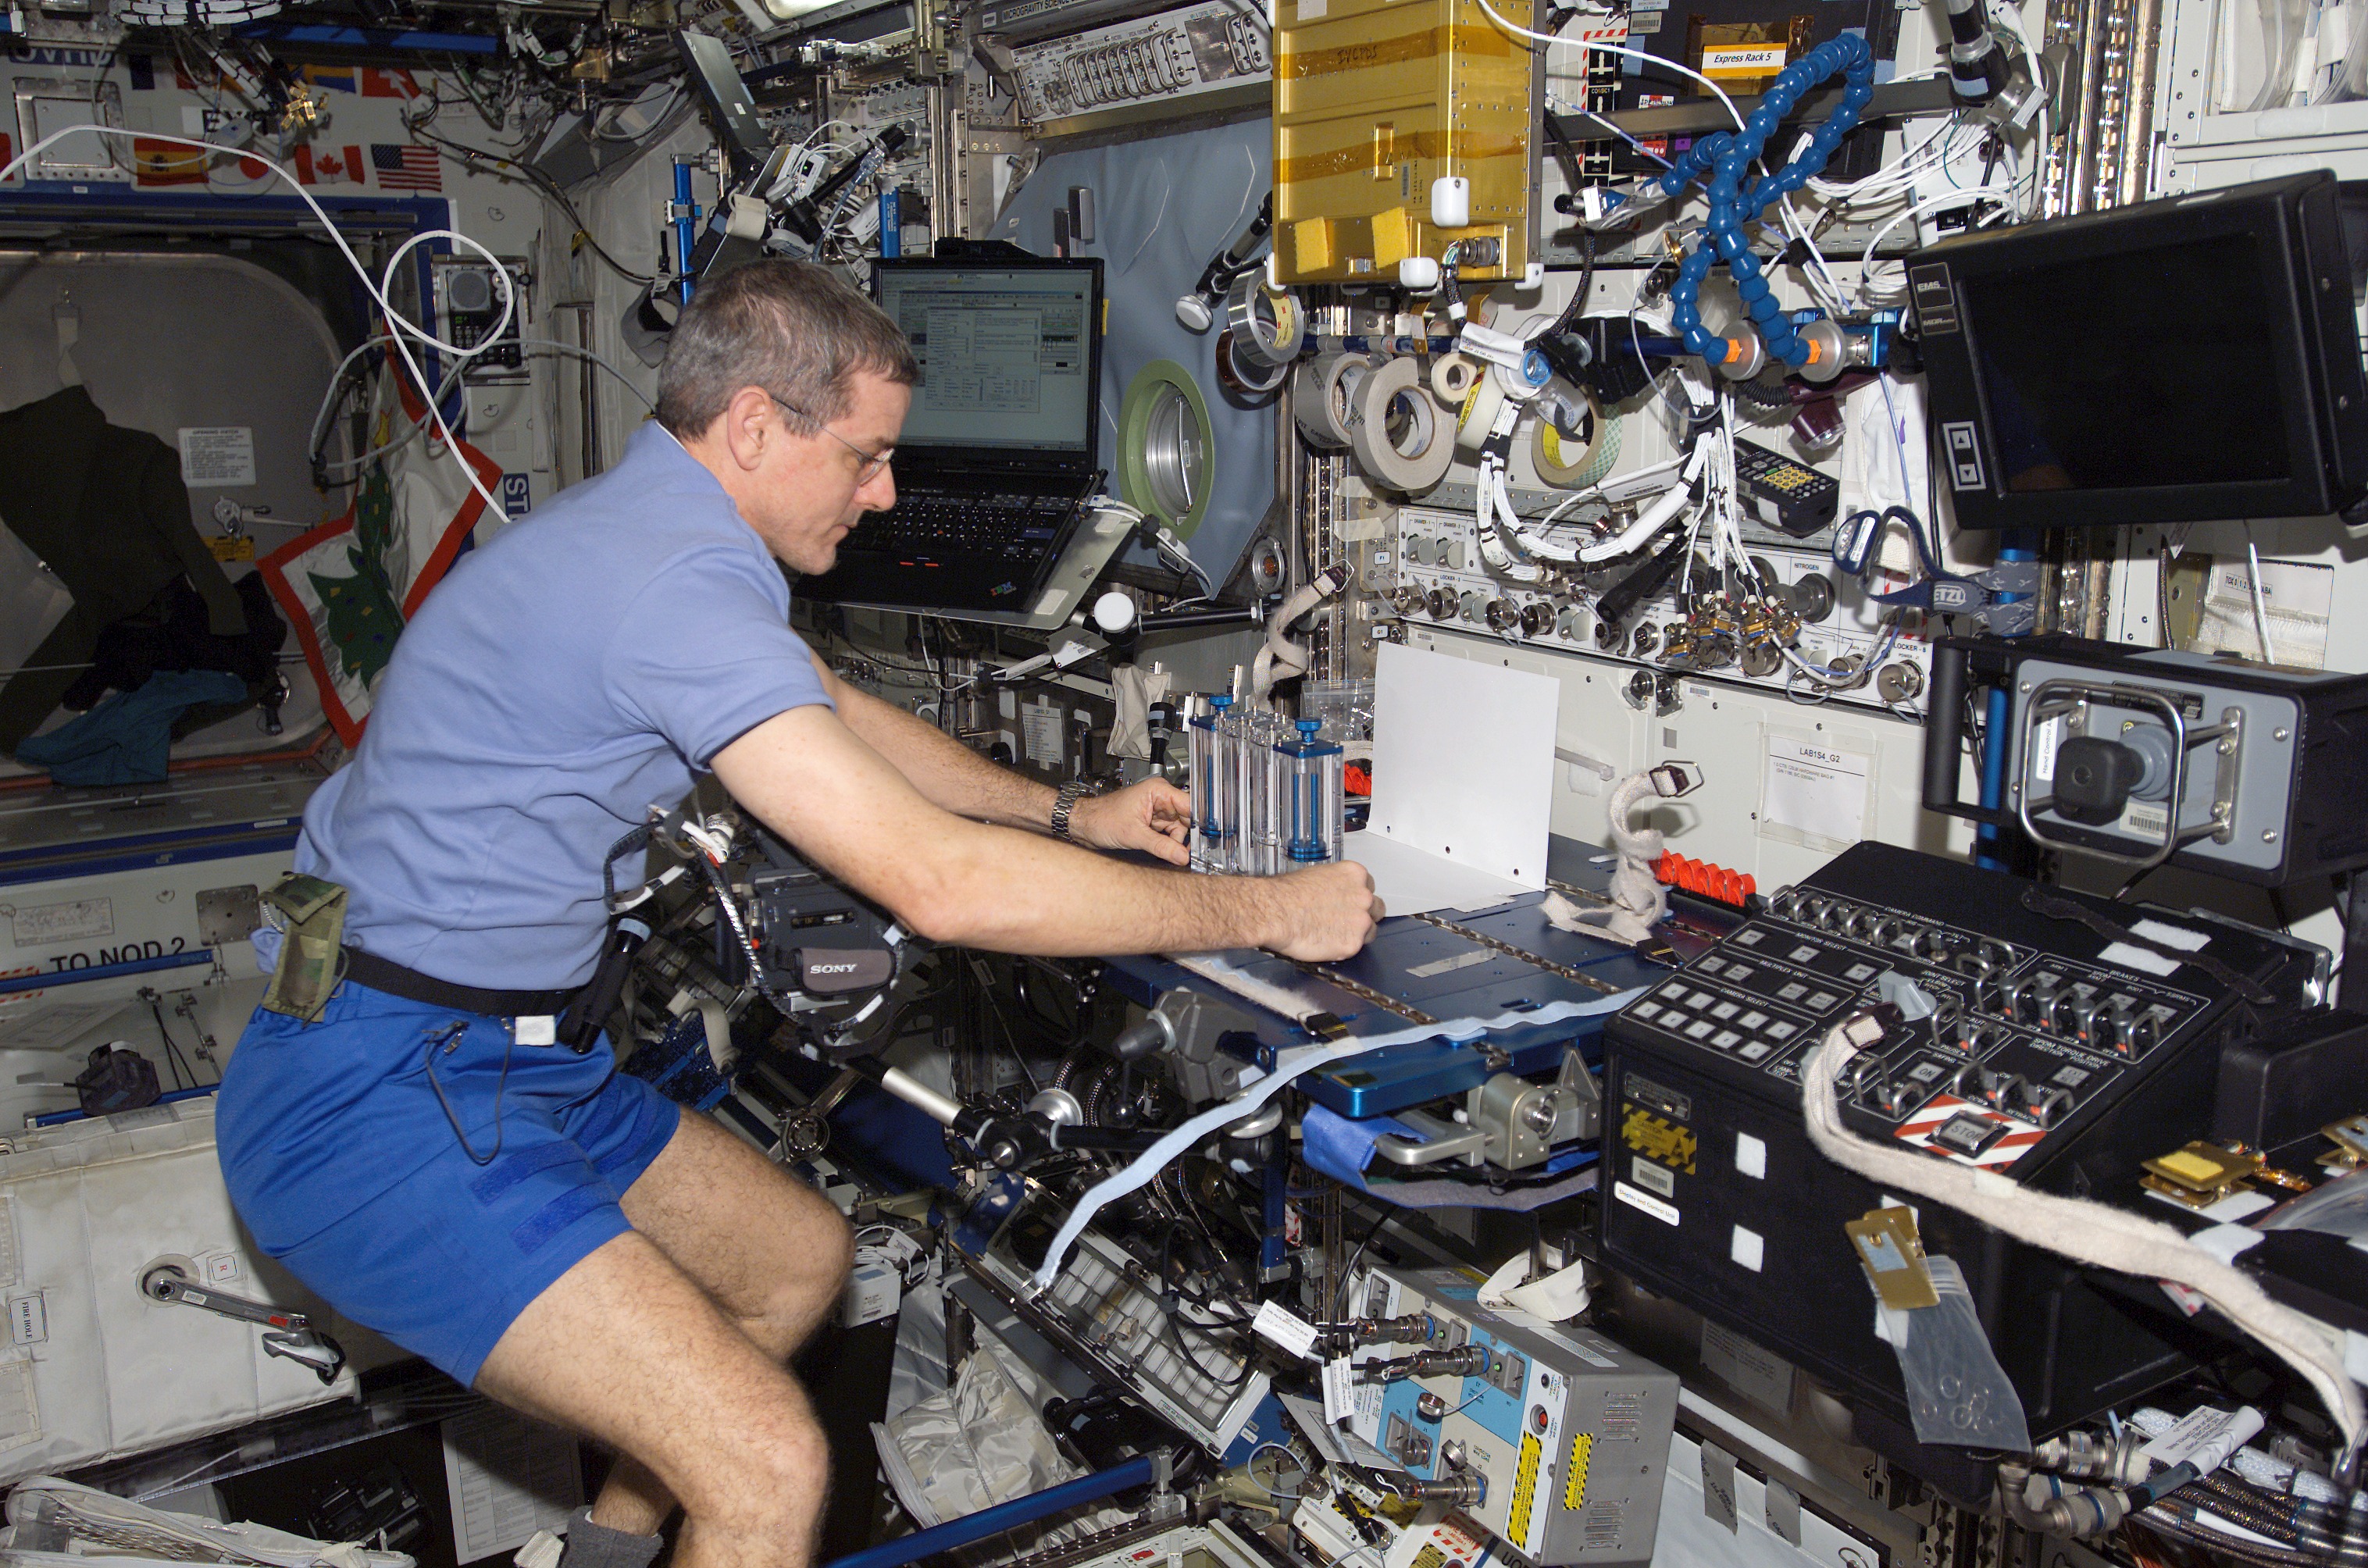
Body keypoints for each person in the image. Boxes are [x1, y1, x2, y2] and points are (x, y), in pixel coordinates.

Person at [214, 258, 1380, 1568]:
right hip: (377, 1094)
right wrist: (1271, 909)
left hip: (504, 1061)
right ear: (758, 426)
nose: (884, 494)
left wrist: (1069, 813)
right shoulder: (668, 585)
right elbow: (939, 885)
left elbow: (833, 705)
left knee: (795, 1262)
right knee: (768, 1460)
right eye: (867, 457)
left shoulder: (655, 531)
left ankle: (603, 1556)